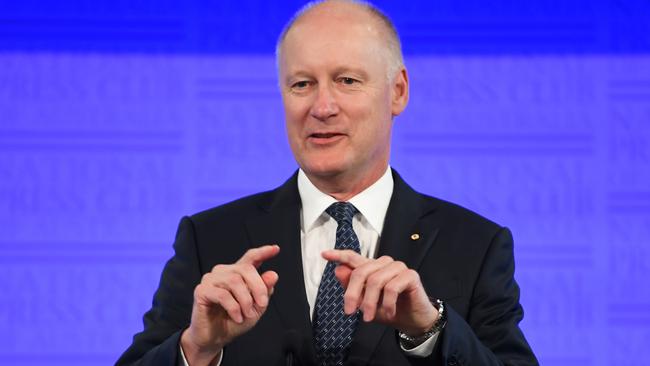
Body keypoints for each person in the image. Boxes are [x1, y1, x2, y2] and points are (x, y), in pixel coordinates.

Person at [117, 1, 538, 365]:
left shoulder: (475, 245)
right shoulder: (209, 240)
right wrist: (197, 349)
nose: (322, 106)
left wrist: (432, 330)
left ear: (398, 91)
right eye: (302, 84)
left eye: (347, 80)